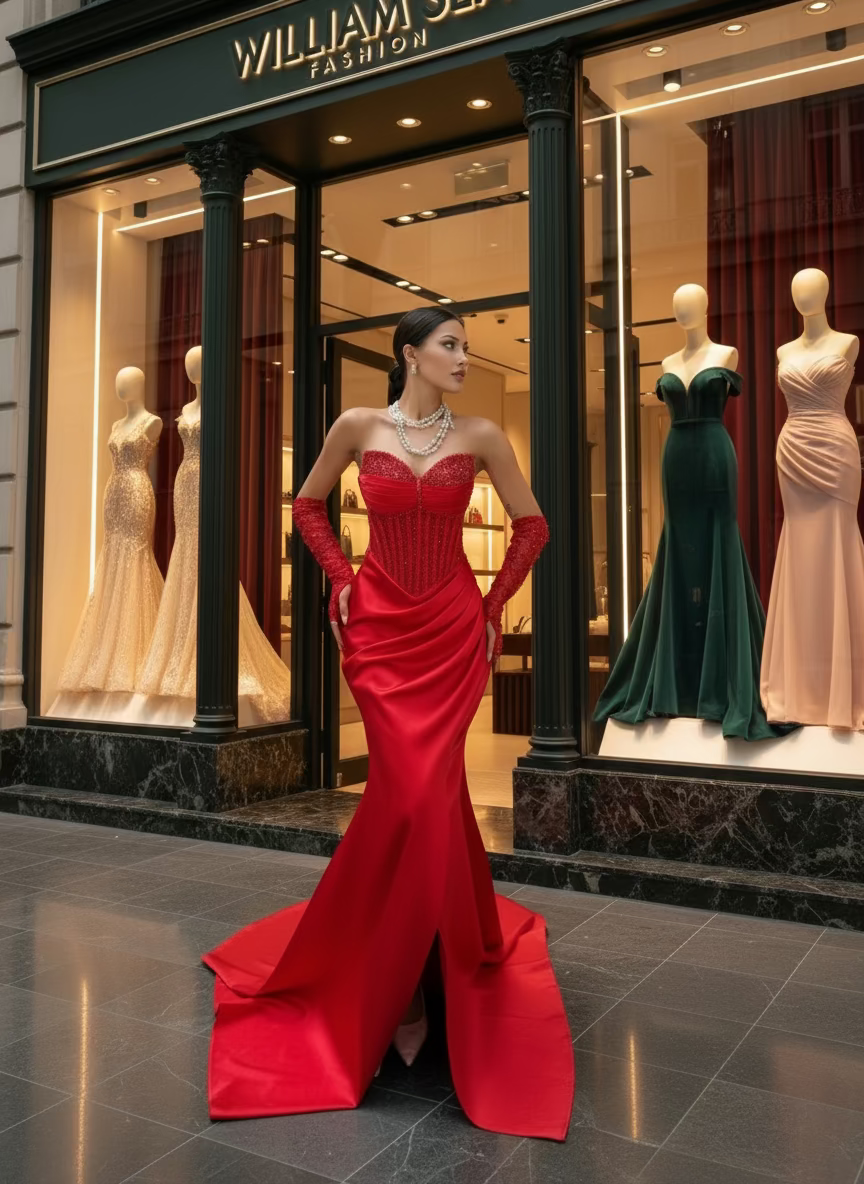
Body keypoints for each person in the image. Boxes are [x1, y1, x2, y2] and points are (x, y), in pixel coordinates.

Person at [202, 307, 575, 1141]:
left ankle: (417, 973)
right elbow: (305, 506)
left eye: (467, 347)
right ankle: (408, 976)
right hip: (377, 627)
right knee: (410, 798)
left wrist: (491, 604)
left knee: (423, 799)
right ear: (410, 354)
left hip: (448, 630)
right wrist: (339, 584)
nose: (464, 358)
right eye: (450, 345)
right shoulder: (356, 424)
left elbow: (534, 526)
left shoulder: (480, 434)